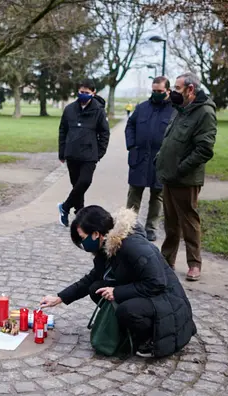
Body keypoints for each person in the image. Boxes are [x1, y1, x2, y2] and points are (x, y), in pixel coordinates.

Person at [39, 206, 196, 358]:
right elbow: (93, 278)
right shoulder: (106, 246)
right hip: (148, 292)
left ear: (95, 234)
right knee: (96, 289)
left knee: (126, 310)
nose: (82, 244)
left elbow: (157, 283)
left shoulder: (133, 246)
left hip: (167, 301)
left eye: (82, 238)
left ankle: (150, 339)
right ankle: (127, 328)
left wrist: (117, 292)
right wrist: (60, 298)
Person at [155, 72, 216, 282]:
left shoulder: (205, 113)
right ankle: (166, 259)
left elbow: (204, 149)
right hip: (169, 176)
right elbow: (170, 138)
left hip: (186, 178)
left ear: (191, 90)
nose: (173, 93)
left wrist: (181, 168)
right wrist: (159, 158)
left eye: (178, 89)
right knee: (170, 222)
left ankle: (194, 264)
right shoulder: (179, 110)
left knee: (189, 221)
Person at [125, 77, 174, 241]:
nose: (156, 94)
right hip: (139, 157)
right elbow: (130, 125)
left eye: (160, 91)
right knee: (134, 193)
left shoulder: (175, 110)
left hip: (160, 160)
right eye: (154, 91)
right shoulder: (142, 108)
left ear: (168, 91)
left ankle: (151, 228)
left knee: (157, 195)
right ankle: (128, 225)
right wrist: (131, 145)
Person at [57, 79, 110, 227]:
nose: (83, 95)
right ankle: (80, 217)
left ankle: (65, 207)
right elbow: (63, 130)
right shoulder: (69, 109)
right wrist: (62, 152)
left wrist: (99, 153)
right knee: (77, 186)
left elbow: (105, 133)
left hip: (89, 155)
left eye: (87, 93)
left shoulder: (98, 111)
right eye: (81, 92)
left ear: (93, 93)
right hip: (72, 153)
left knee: (85, 182)